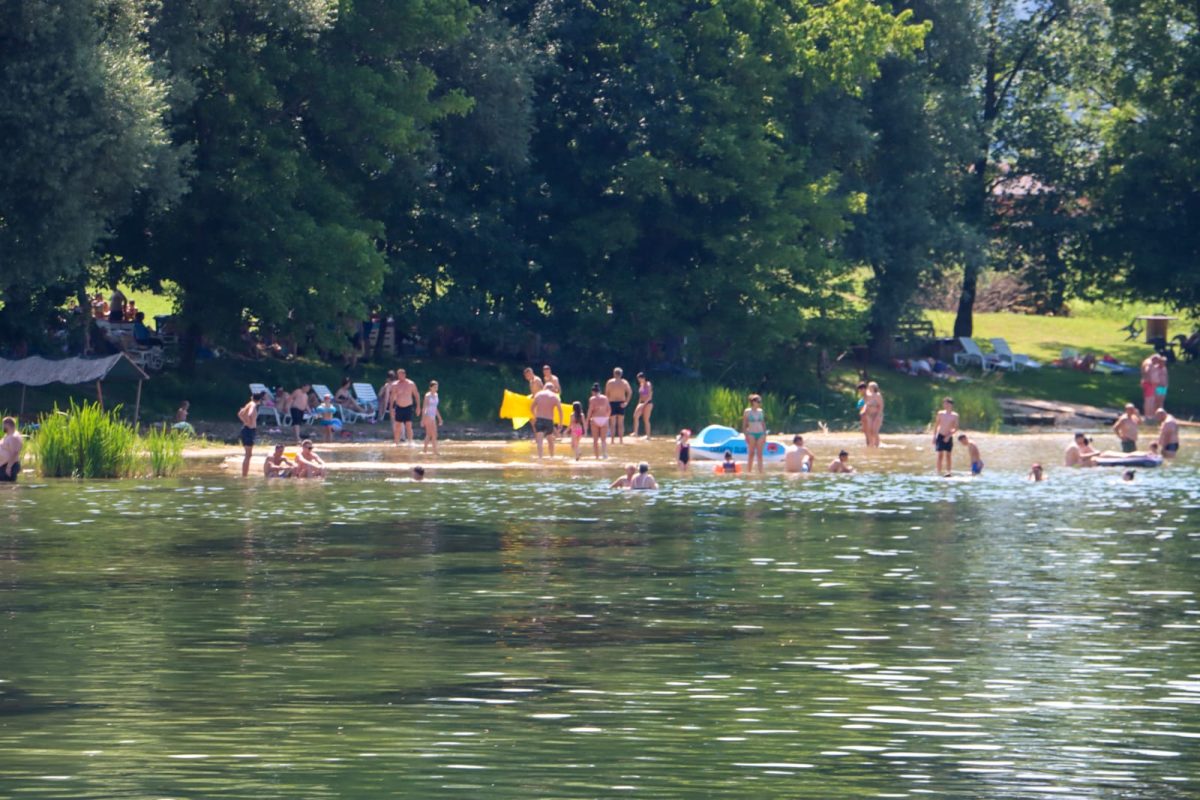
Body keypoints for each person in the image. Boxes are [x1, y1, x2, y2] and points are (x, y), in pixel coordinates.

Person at [531, 384, 564, 459]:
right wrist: (560, 423)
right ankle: (552, 457)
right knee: (550, 441)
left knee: (539, 441)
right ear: (552, 389)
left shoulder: (538, 395)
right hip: (549, 420)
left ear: (544, 388)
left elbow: (532, 408)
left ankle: (540, 458)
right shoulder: (554, 396)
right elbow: (560, 411)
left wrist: (535, 416)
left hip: (539, 419)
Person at [237, 392, 264, 477]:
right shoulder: (253, 405)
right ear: (260, 400)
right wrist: (249, 422)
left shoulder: (249, 404)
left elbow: (240, 414)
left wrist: (246, 421)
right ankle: (244, 476)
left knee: (248, 455)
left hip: (246, 430)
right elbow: (249, 413)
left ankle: (244, 475)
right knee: (248, 455)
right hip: (249, 430)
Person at [391, 369, 420, 445]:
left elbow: (416, 395)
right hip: (399, 407)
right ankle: (396, 443)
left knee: (408, 425)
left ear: (404, 375)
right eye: (398, 375)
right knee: (397, 426)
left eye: (401, 375)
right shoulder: (395, 384)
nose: (399, 376)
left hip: (408, 407)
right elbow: (392, 397)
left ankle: (410, 442)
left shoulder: (411, 384)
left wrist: (418, 407)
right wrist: (391, 408)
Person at [605, 368, 632, 445]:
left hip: (612, 402)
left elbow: (606, 394)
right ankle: (621, 440)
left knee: (613, 423)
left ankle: (612, 441)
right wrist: (626, 402)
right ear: (621, 374)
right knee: (620, 423)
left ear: (614, 373)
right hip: (621, 403)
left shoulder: (610, 382)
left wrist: (607, 404)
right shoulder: (624, 382)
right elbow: (630, 392)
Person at [933, 397, 959, 475]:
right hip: (940, 435)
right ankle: (938, 471)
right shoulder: (940, 413)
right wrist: (934, 436)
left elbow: (956, 428)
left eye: (947, 403)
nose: (945, 405)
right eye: (944, 403)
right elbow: (936, 425)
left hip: (948, 436)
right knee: (940, 454)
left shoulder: (955, 415)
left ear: (951, 404)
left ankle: (948, 472)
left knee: (948, 455)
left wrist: (949, 436)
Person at [742, 394, 767, 474]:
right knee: (751, 453)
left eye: (760, 401)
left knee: (760, 454)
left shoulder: (761, 411)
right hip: (751, 433)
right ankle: (749, 471)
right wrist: (745, 435)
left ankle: (761, 472)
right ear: (753, 402)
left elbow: (763, 423)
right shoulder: (747, 411)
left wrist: (765, 434)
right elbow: (744, 424)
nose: (759, 403)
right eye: (758, 401)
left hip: (761, 433)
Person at [586, 383, 610, 459]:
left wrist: (587, 421)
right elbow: (609, 410)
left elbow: (590, 411)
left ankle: (597, 457)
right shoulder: (605, 398)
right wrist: (607, 418)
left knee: (595, 440)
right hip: (604, 419)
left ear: (593, 391)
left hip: (595, 419)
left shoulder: (592, 399)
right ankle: (604, 455)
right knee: (603, 440)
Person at [422, 380, 443, 455]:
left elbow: (435, 408)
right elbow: (424, 408)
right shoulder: (427, 396)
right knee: (430, 434)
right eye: (434, 387)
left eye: (437, 387)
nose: (436, 388)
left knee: (433, 434)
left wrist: (439, 418)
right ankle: (429, 450)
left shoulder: (436, 395)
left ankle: (432, 450)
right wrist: (423, 419)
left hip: (433, 416)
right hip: (428, 415)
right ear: (430, 387)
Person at [0, 417, 24, 483]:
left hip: (8, 466)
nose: (2, 427)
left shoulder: (14, 436)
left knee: (8, 487)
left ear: (7, 424)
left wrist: (9, 467)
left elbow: (14, 452)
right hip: (4, 466)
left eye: (3, 425)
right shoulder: (8, 435)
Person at [632, 372, 654, 439]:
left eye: (639, 378)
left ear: (643, 378)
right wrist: (639, 404)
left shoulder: (648, 384)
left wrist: (644, 405)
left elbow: (649, 396)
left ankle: (648, 435)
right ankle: (635, 433)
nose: (638, 380)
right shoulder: (641, 384)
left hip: (648, 403)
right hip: (641, 402)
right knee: (635, 416)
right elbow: (641, 396)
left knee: (646, 419)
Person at [862, 381, 884, 448]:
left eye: (872, 387)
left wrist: (877, 416)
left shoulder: (878, 395)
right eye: (869, 386)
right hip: (869, 415)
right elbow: (864, 404)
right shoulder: (867, 395)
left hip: (877, 415)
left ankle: (877, 445)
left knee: (874, 431)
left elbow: (881, 406)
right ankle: (871, 444)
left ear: (875, 388)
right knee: (869, 430)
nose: (870, 388)